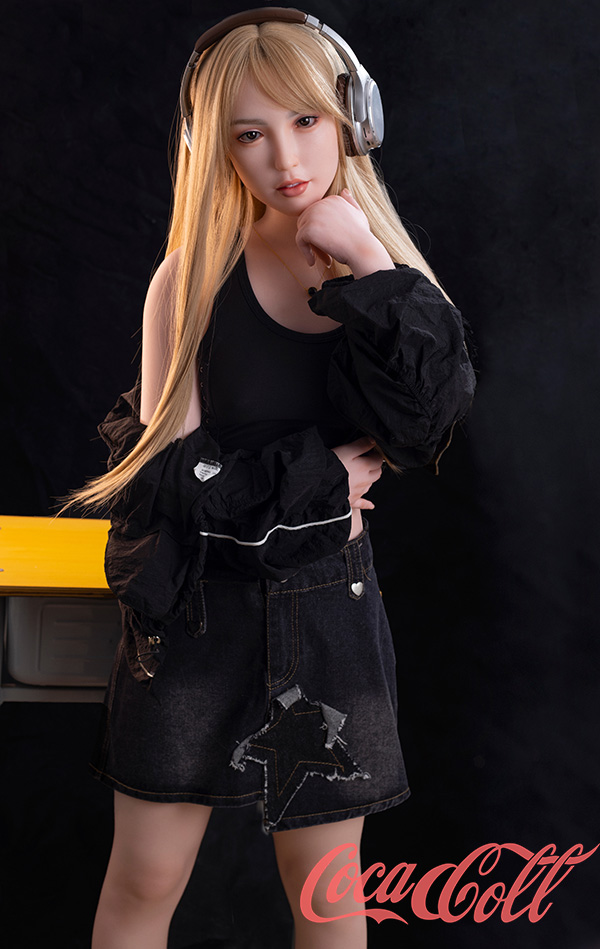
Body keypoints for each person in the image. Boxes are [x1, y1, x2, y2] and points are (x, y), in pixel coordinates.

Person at [71, 8, 475, 948]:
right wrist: (315, 481)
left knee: (326, 892)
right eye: (249, 134)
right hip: (196, 617)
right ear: (215, 149)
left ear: (353, 121)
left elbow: (428, 420)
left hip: (327, 614)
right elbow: (168, 485)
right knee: (146, 874)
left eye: (304, 121)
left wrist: (366, 261)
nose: (285, 158)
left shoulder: (387, 279)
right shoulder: (189, 280)